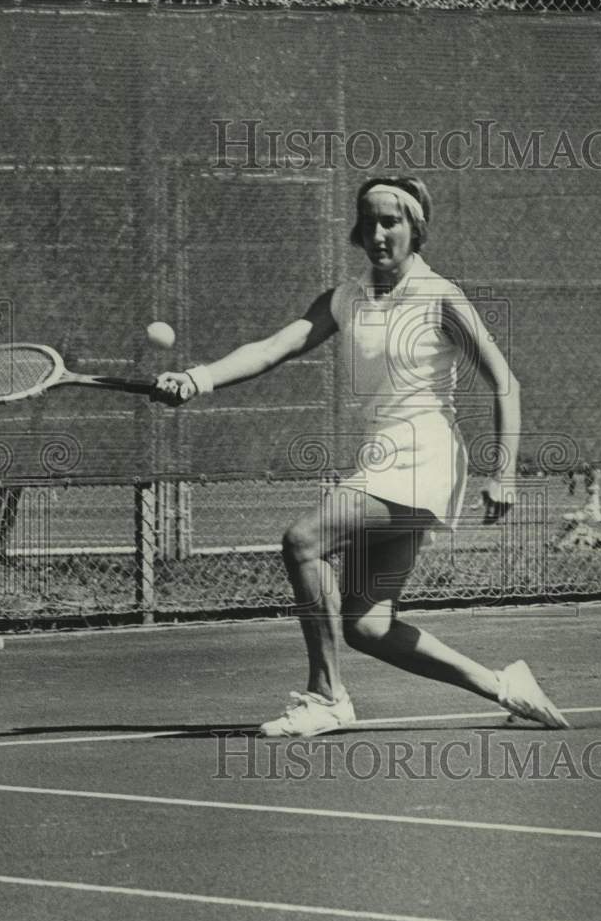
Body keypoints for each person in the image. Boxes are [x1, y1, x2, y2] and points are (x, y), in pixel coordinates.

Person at [154, 176, 569, 737]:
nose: (378, 233)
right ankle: (505, 686)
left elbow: (505, 382)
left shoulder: (440, 296)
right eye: (369, 220)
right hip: (382, 460)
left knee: (304, 540)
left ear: (415, 228)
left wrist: (507, 473)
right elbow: (275, 347)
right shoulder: (345, 298)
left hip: (425, 457)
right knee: (367, 626)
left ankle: (326, 696)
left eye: (391, 221)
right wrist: (196, 379)